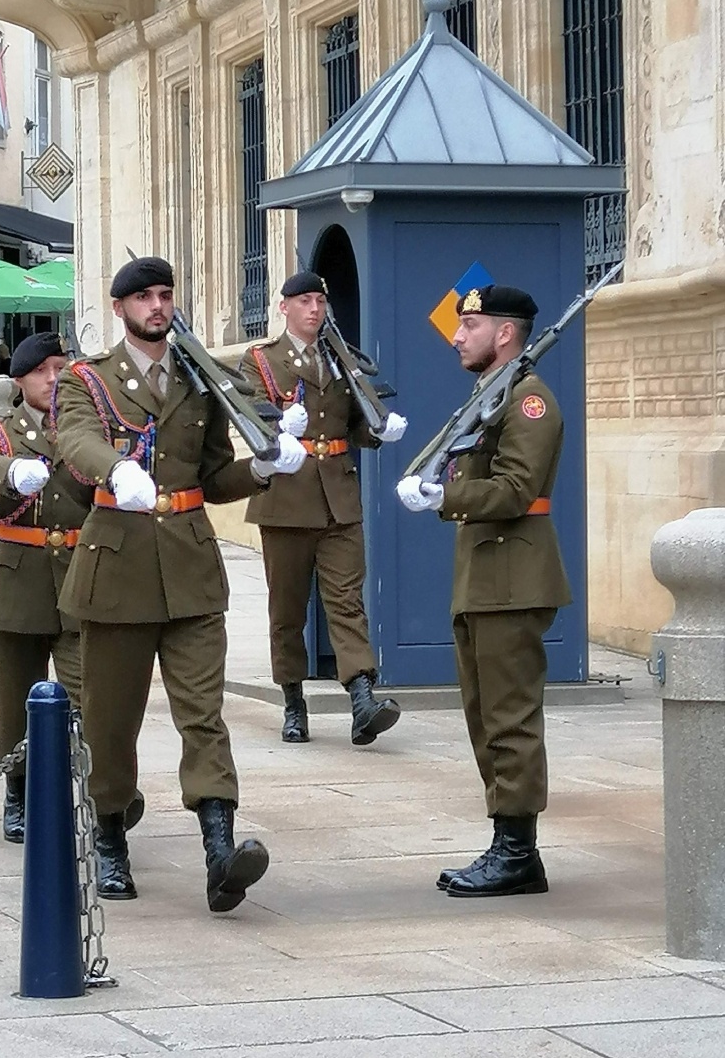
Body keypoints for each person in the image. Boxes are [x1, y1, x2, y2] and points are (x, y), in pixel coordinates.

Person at [53, 255, 306, 911]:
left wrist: (265, 468)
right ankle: (109, 835)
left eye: (166, 295)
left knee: (204, 717)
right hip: (115, 572)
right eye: (144, 297)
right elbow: (74, 441)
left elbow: (215, 474)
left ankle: (220, 852)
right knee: (112, 723)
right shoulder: (88, 380)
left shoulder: (197, 382)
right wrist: (116, 470)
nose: (158, 306)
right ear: (120, 309)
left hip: (191, 573)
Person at [396, 284, 572, 898]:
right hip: (484, 575)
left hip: (514, 577)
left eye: (470, 325)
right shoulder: (490, 395)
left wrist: (446, 496)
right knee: (483, 715)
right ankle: (508, 842)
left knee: (509, 718)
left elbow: (516, 489)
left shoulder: (528, 401)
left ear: (505, 333)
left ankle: (518, 852)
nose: (457, 335)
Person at [240, 271, 407, 746]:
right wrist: (276, 425)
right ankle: (293, 700)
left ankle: (361, 697)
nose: (314, 309)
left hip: (338, 496)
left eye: (319, 300)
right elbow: (247, 410)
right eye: (305, 301)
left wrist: (379, 428)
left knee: (346, 601)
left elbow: (355, 424)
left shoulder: (340, 358)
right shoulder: (261, 360)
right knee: (288, 610)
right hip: (286, 500)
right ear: (284, 307)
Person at [0, 332, 111, 843]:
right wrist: (12, 471)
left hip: (78, 573)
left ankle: (103, 795)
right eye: (44, 370)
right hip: (18, 577)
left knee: (89, 693)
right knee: (15, 698)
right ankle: (17, 794)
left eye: (61, 368)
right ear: (21, 379)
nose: (54, 379)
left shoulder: (84, 425)